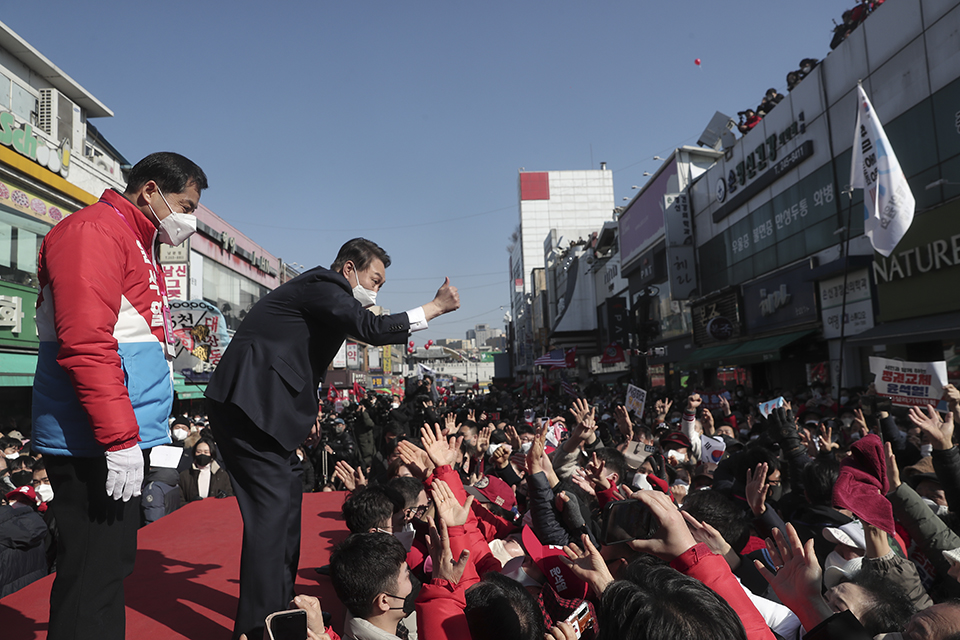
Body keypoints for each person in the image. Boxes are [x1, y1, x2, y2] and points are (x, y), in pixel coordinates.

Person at [205, 237, 459, 640]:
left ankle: (280, 607)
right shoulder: (324, 286)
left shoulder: (323, 295)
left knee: (287, 507)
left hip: (266, 412)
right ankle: (260, 628)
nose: (375, 291)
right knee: (270, 521)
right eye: (374, 280)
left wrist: (309, 411)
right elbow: (372, 329)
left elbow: (304, 358)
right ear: (349, 270)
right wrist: (435, 308)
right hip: (248, 408)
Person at [31, 152, 207, 640]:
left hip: (115, 434)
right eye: (185, 205)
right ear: (150, 190)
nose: (189, 220)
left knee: (109, 571)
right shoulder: (93, 232)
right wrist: (119, 438)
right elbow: (86, 343)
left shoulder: (133, 237)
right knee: (92, 576)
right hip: (93, 439)